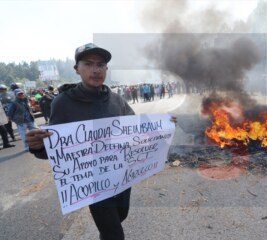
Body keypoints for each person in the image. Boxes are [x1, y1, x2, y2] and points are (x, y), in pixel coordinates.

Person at [25, 43, 177, 240]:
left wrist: (163, 126)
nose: (95, 70)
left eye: (101, 64)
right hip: (92, 182)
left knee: (121, 216)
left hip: (122, 176)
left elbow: (135, 132)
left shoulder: (116, 100)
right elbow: (57, 148)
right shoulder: (63, 103)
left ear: (106, 69)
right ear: (77, 69)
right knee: (113, 232)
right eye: (88, 64)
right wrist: (37, 146)